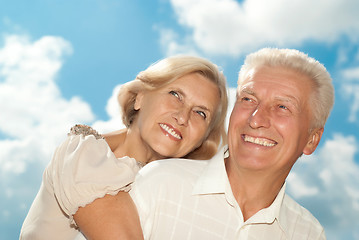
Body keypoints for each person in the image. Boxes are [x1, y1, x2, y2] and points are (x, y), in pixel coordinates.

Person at [128, 48, 334, 239]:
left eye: (282, 106)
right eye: (248, 99)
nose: (256, 119)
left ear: (311, 139)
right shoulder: (159, 184)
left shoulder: (309, 234)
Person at [19, 55, 229, 240]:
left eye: (201, 113)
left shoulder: (180, 191)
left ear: (203, 138)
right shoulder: (85, 155)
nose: (183, 117)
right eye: (175, 94)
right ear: (140, 97)